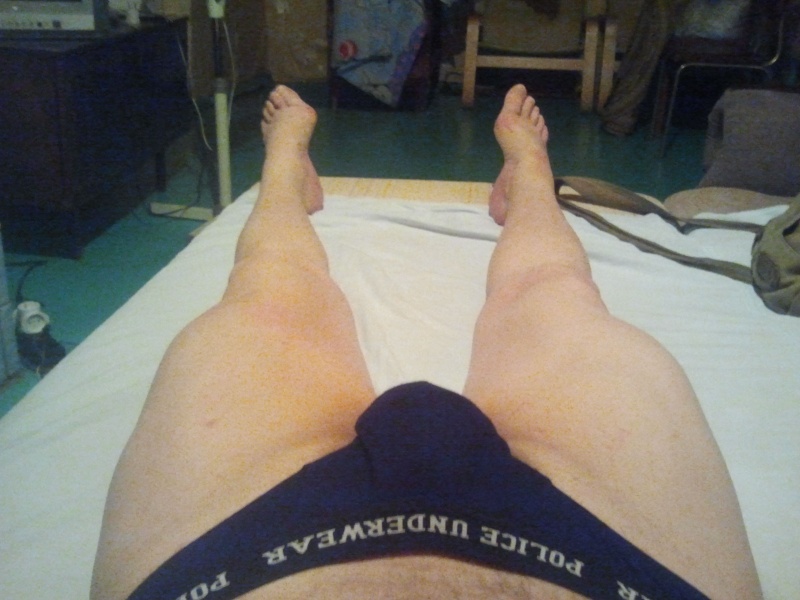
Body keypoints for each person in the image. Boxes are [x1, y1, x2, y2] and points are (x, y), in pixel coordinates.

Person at [90, 84, 762, 600]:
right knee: (551, 290)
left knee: (271, 283)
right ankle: (512, 177)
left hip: (226, 558)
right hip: (620, 560)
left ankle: (304, 171)